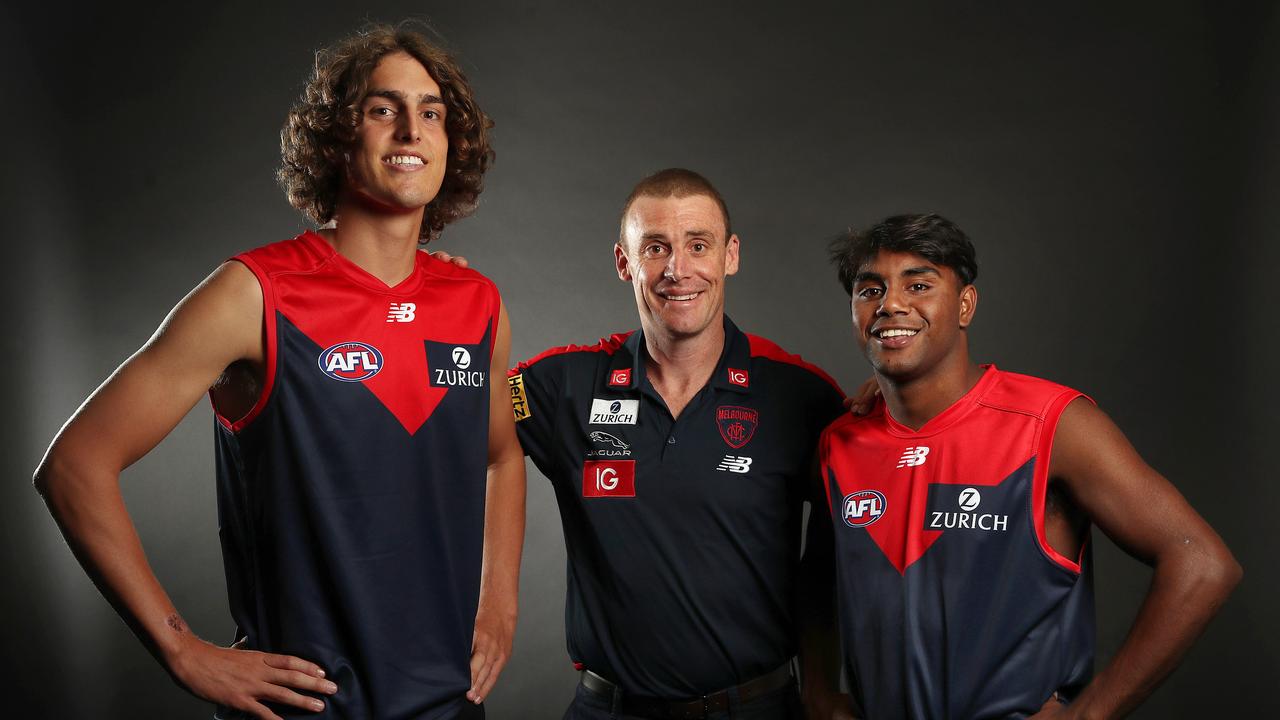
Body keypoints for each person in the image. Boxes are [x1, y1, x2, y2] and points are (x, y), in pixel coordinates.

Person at [33, 24, 525, 720]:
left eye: (432, 112)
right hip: (302, 710)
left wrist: (499, 603)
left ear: (452, 141)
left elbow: (502, 456)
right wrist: (183, 650)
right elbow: (74, 465)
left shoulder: (477, 305)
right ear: (337, 136)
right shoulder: (253, 294)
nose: (412, 129)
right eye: (384, 109)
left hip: (447, 705)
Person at [820, 214, 1241, 719]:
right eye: (870, 290)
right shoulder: (840, 442)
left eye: (919, 284)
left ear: (965, 305)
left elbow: (1202, 564)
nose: (891, 303)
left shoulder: (1051, 424)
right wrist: (819, 692)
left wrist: (1089, 715)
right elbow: (819, 573)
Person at [507, 168, 847, 719]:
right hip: (608, 710)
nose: (678, 270)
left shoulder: (799, 394)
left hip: (757, 709)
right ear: (624, 262)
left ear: (730, 255)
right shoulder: (562, 386)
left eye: (698, 245)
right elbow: (429, 424)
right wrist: (429, 287)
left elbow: (860, 542)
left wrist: (826, 688)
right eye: (656, 247)